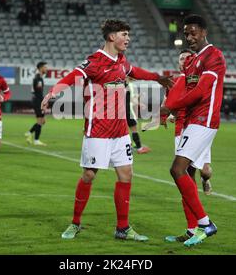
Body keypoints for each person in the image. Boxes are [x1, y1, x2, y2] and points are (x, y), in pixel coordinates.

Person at [41, 19, 173, 241]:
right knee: (89, 175)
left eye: (128, 34)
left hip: (120, 131)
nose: (128, 39)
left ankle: (122, 228)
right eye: (124, 34)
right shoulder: (94, 62)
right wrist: (53, 93)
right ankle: (75, 223)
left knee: (126, 175)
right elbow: (72, 76)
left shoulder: (121, 61)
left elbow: (136, 71)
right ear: (112, 37)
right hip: (98, 130)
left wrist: (158, 78)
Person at [160, 14, 225, 247]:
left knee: (177, 170)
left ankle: (206, 224)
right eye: (186, 33)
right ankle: (192, 229)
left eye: (193, 32)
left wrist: (170, 106)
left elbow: (200, 92)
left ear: (204, 31)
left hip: (205, 120)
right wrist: (165, 109)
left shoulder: (214, 56)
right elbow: (182, 88)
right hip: (192, 121)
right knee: (185, 174)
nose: (189, 37)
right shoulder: (193, 60)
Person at [125, 78, 150, 154]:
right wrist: (140, 103)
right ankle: (139, 148)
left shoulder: (122, 86)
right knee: (134, 129)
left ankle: (132, 145)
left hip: (120, 111)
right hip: (127, 111)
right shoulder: (129, 86)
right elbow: (133, 100)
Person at [26, 62, 48, 146]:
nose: (46, 69)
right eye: (45, 67)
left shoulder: (38, 77)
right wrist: (44, 102)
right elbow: (38, 92)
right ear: (41, 68)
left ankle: (30, 133)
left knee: (42, 120)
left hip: (37, 100)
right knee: (40, 120)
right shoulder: (38, 78)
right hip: (38, 101)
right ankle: (36, 139)